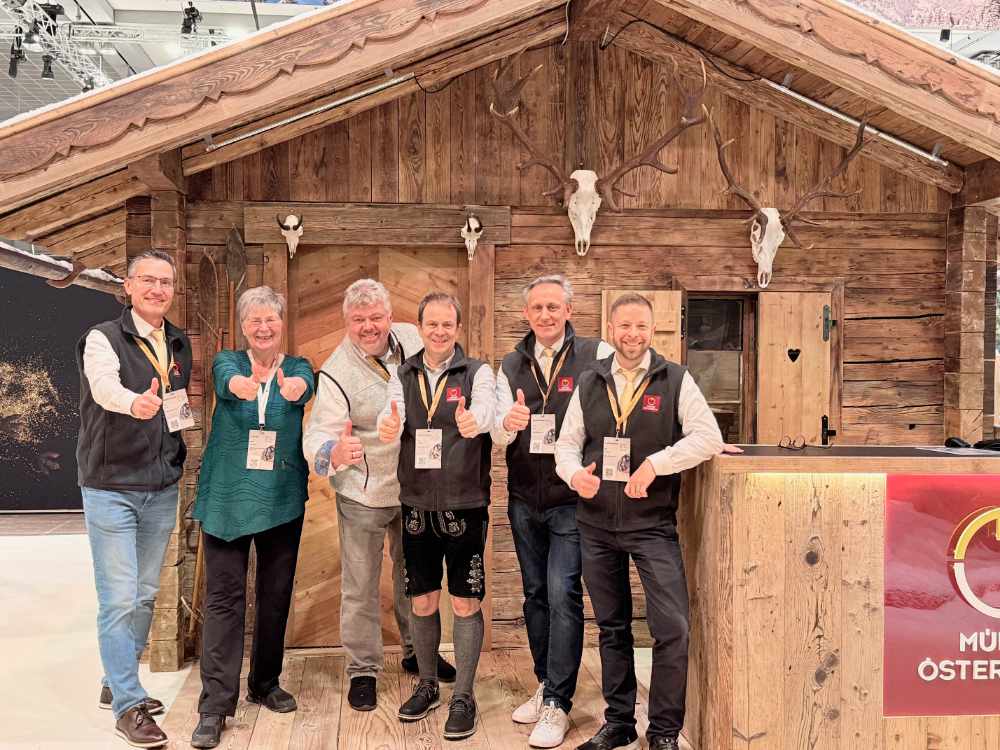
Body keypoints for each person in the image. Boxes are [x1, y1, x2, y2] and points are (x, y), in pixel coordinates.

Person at [555, 293, 724, 750]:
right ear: (611, 329)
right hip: (595, 525)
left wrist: (656, 464)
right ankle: (619, 722)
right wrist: (574, 475)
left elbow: (708, 437)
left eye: (641, 327)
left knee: (673, 628)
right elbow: (566, 444)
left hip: (651, 525)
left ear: (653, 330)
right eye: (625, 326)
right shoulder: (589, 380)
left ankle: (664, 731)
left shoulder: (675, 379)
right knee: (613, 628)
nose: (633, 335)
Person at [302, 279, 455, 713]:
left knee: (415, 578)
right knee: (360, 586)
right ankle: (363, 670)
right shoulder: (337, 370)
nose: (368, 326)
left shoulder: (412, 338)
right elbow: (316, 435)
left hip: (414, 488)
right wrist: (334, 452)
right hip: (363, 493)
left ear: (390, 316)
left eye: (375, 317)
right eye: (358, 320)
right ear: (346, 322)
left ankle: (417, 653)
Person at [189, 286, 315, 748]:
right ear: (243, 327)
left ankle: (264, 682)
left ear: (282, 323)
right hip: (227, 499)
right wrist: (240, 386)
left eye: (270, 319)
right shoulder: (228, 362)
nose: (263, 328)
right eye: (254, 320)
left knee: (275, 595)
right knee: (224, 599)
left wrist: (297, 389)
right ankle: (214, 705)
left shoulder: (297, 366)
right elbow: (224, 379)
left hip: (281, 496)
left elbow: (305, 386)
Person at [491, 274, 613, 748]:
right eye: (537, 308)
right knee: (535, 594)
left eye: (553, 307)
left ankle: (559, 703)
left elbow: (619, 408)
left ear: (568, 310)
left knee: (564, 594)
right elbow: (498, 432)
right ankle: (546, 684)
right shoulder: (510, 363)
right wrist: (508, 421)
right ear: (526, 314)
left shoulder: (596, 355)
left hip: (571, 500)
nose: (545, 315)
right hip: (524, 499)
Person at [78, 249, 192, 748]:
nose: (157, 289)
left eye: (165, 282)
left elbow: (177, 406)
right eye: (147, 280)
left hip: (160, 487)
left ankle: (116, 677)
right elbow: (104, 387)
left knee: (145, 593)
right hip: (111, 487)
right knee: (120, 596)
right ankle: (129, 704)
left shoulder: (178, 342)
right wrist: (133, 403)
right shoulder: (103, 338)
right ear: (127, 286)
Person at [378, 291, 496, 740]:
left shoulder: (478, 372)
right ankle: (427, 684)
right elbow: (390, 415)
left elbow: (487, 410)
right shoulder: (402, 373)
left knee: (466, 601)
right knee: (422, 600)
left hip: (465, 504)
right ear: (420, 327)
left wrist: (475, 420)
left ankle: (463, 695)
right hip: (416, 505)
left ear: (457, 328)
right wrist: (388, 426)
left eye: (448, 324)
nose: (440, 331)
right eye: (432, 324)